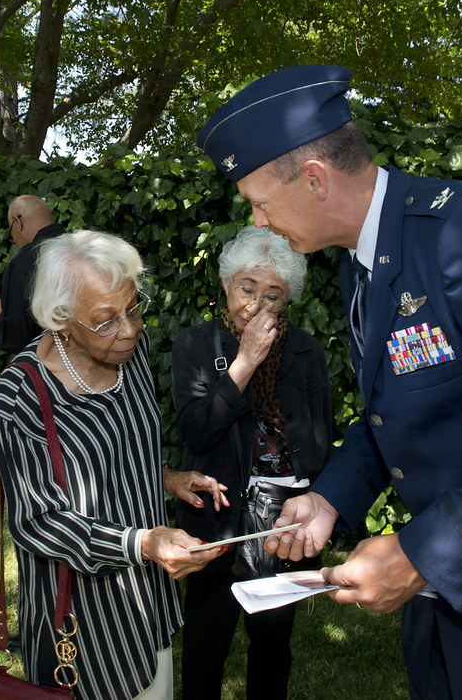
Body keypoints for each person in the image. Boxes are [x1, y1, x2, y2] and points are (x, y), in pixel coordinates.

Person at [197, 64, 462, 698]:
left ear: (314, 180)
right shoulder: (361, 265)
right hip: (444, 616)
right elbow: (398, 409)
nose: (259, 224)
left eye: (260, 202)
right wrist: (333, 497)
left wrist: (424, 553)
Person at [0, 230, 229, 700]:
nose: (130, 329)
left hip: (148, 602)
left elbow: (117, 447)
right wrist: (141, 542)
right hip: (83, 624)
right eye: (105, 320)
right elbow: (39, 522)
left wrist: (165, 478)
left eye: (134, 308)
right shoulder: (19, 398)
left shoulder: (128, 357)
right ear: (60, 318)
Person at [171, 226, 332, 700]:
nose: (257, 304)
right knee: (206, 641)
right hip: (216, 518)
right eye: (247, 288)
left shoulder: (305, 351)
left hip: (282, 520)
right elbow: (197, 431)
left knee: (272, 642)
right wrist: (244, 363)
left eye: (273, 295)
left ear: (288, 300)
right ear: (226, 283)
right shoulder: (195, 345)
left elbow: (319, 438)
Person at [0, 194, 65, 353]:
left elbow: (17, 341)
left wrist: (3, 319)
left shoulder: (25, 261)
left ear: (17, 222)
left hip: (55, 365)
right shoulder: (85, 245)